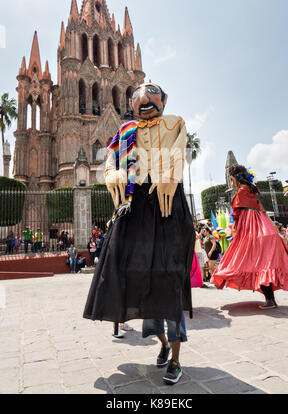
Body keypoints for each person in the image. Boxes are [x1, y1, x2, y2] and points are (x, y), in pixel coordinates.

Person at [83, 82, 195, 385]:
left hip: (167, 203)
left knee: (169, 277)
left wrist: (170, 175)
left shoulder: (175, 123)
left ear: (165, 99)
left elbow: (177, 154)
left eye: (152, 93)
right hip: (136, 206)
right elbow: (110, 160)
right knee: (134, 275)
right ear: (130, 105)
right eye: (137, 97)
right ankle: (160, 342)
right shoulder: (125, 131)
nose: (144, 100)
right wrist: (113, 173)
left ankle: (176, 359)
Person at [211, 165, 288, 308]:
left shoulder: (240, 193)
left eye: (231, 179)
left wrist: (236, 233)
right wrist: (276, 232)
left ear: (234, 179)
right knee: (263, 266)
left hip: (252, 234)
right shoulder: (251, 191)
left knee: (246, 262)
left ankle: (270, 300)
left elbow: (237, 216)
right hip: (266, 232)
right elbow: (263, 212)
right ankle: (270, 299)